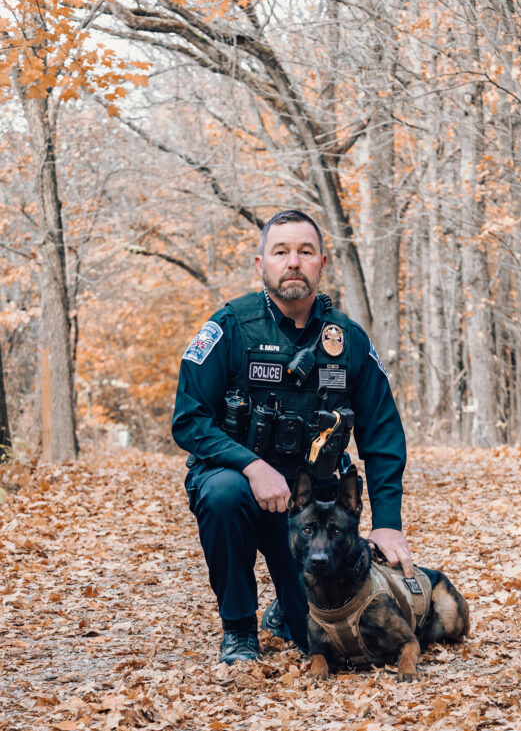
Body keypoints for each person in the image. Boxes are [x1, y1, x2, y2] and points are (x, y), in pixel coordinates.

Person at [172, 209, 414, 665]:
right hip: (242, 490)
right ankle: (240, 631)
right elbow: (188, 420)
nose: (293, 262)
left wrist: (387, 522)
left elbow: (382, 436)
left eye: (305, 252)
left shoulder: (349, 340)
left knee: (332, 649)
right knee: (221, 492)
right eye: (281, 252)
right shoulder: (229, 328)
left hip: (313, 511)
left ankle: (288, 608)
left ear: (322, 263)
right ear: (260, 263)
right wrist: (251, 465)